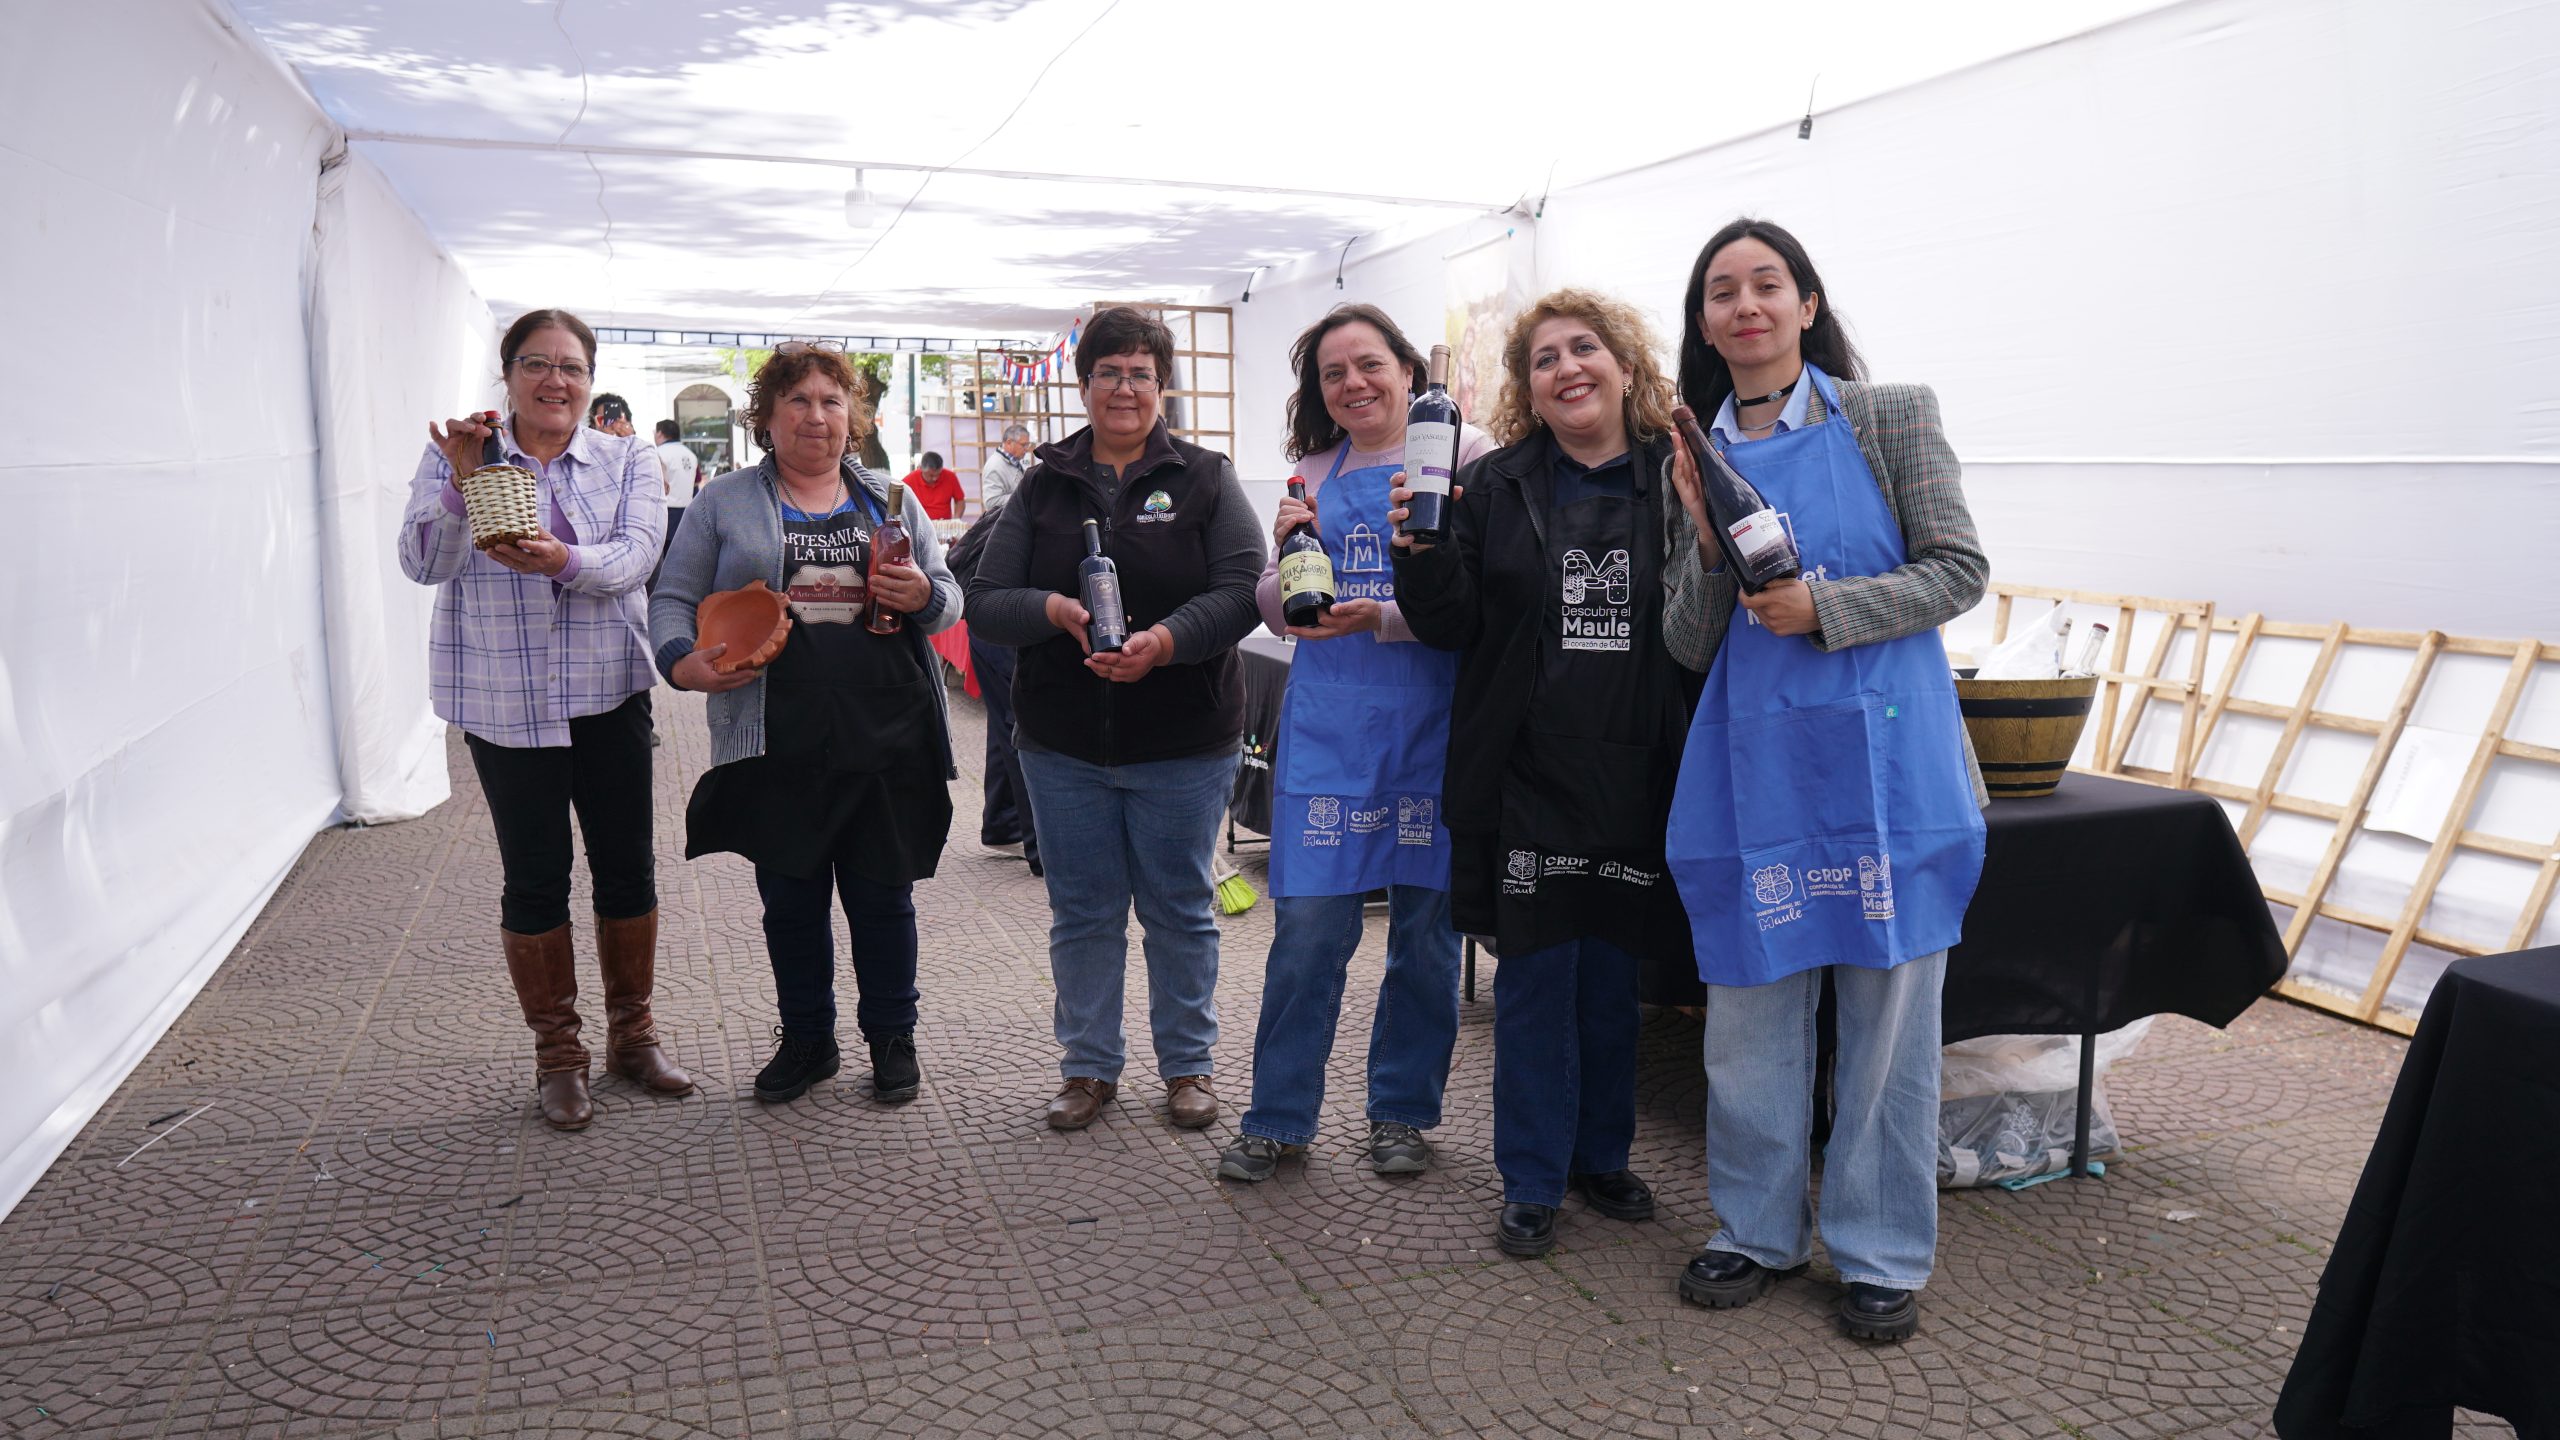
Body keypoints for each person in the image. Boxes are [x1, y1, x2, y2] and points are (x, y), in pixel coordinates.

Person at [1658, 218, 1989, 1343]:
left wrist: (1825, 609)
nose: (1745, 305)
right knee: (1750, 1011)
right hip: (1756, 768)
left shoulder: (1889, 416)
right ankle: (1753, 1230)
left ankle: (1880, 1250)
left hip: (1891, 766)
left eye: (1768, 284)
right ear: (1705, 324)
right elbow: (1687, 640)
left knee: (1888, 1020)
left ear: (1805, 305)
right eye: (1722, 291)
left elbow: (1959, 571)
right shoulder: (1690, 449)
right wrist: (1708, 543)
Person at [1388, 290, 1698, 1257]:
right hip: (1528, 775)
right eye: (1544, 359)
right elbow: (1449, 623)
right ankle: (1530, 1176)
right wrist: (1418, 555)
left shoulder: (1677, 474)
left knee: (1613, 979)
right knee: (1533, 983)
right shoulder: (1494, 484)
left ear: (1624, 365)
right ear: (1527, 387)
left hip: (1638, 767)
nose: (1567, 368)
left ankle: (1600, 1155)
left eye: (1584, 348)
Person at [963, 306, 1265, 1132]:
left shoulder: (1205, 477)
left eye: (1140, 373)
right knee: (1084, 912)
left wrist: (1165, 643)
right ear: (1084, 383)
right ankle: (1089, 1068)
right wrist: (1056, 609)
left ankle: (1189, 1066)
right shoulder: (1044, 482)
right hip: (1063, 742)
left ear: (1162, 386)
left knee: (1179, 909)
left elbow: (1243, 592)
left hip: (1183, 740)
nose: (1124, 388)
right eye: (1108, 372)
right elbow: (985, 600)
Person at [1216, 304, 1494, 1185]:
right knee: (1306, 931)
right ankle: (1277, 1116)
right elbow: (1273, 602)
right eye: (1333, 373)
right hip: (1332, 731)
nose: (1354, 384)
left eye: (1369, 364)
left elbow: (1481, 595)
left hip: (1433, 726)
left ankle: (1402, 1112)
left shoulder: (1467, 454)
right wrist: (1284, 564)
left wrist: (1383, 616)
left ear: (1408, 370)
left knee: (1426, 935)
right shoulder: (1310, 470)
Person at [396, 308, 689, 1130]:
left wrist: (563, 560)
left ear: (589, 381)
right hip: (505, 698)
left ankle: (633, 1035)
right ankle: (559, 1055)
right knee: (534, 876)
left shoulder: (625, 458)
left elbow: (637, 557)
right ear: (508, 374)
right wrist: (459, 484)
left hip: (608, 692)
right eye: (536, 363)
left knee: (627, 868)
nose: (554, 380)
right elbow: (421, 563)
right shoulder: (458, 452)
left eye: (571, 367)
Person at [650, 345, 964, 1105]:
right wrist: (682, 664)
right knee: (791, 901)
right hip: (776, 735)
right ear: (766, 417)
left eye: (831, 401)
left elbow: (950, 599)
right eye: (797, 400)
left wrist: (925, 595)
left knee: (883, 897)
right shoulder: (723, 502)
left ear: (853, 418)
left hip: (887, 730)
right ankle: (808, 1040)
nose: (815, 416)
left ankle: (891, 1036)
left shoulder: (893, 498)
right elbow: (672, 597)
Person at [943, 493, 1042, 876]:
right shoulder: (1039, 505)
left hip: (986, 622)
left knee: (1006, 721)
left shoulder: (1023, 500)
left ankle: (1002, 824)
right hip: (1000, 624)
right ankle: (1042, 849)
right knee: (1024, 726)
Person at [901, 450, 967, 521]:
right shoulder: (909, 481)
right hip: (919, 523)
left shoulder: (950, 477)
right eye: (931, 475)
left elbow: (960, 501)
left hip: (944, 524)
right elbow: (899, 502)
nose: (935, 478)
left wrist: (956, 519)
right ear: (920, 468)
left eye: (938, 474)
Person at [980, 424, 1034, 510]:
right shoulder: (995, 466)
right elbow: (991, 503)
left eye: (1027, 445)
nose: (1026, 449)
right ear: (1009, 443)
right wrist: (1023, 496)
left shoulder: (1013, 461)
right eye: (1023, 445)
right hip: (1005, 518)